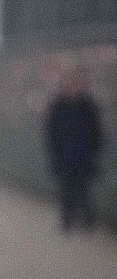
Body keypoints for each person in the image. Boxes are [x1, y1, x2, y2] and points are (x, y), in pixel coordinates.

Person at [45, 71, 104, 231]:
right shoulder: (58, 106)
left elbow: (97, 131)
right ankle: (67, 221)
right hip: (64, 156)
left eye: (77, 84)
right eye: (71, 84)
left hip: (84, 157)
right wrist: (55, 152)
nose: (74, 87)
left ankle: (88, 221)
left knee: (84, 190)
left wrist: (95, 151)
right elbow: (51, 132)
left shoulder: (88, 107)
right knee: (66, 190)